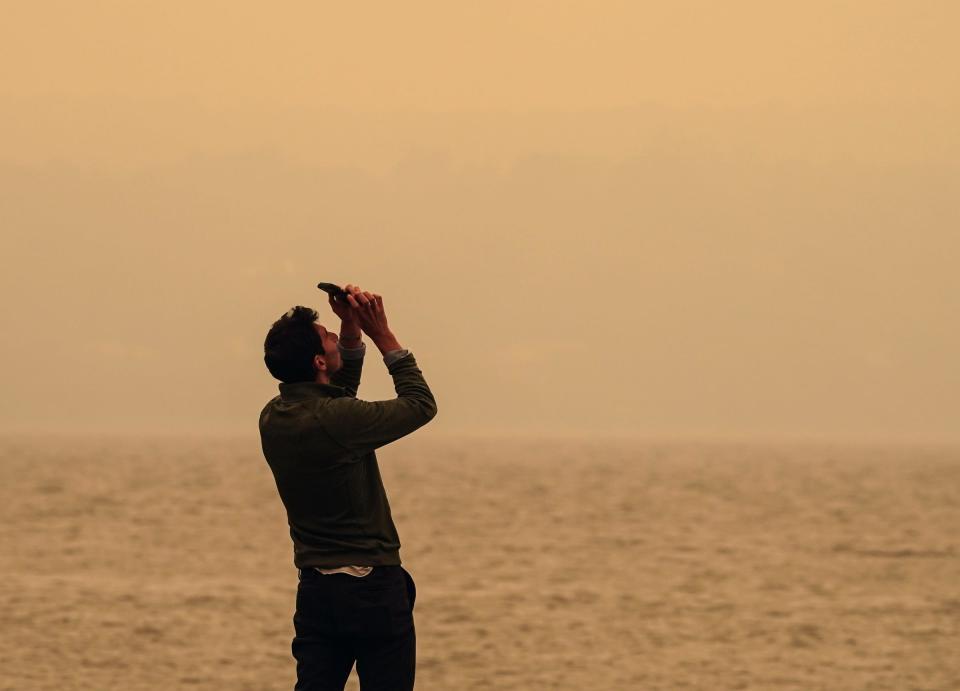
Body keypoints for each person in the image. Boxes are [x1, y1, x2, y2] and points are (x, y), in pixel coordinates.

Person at [259, 284, 438, 691]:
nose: (335, 336)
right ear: (320, 359)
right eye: (328, 336)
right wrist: (382, 335)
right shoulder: (336, 420)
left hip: (318, 593)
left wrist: (350, 327)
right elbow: (420, 405)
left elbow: (338, 400)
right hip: (371, 589)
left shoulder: (274, 417)